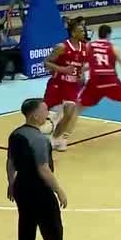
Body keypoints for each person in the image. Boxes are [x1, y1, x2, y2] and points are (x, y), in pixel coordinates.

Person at [7, 98, 77, 240]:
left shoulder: (16, 134)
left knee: (26, 231)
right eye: (45, 110)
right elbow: (43, 169)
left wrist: (11, 182)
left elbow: (11, 161)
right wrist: (59, 190)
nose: (48, 113)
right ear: (35, 115)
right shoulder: (38, 139)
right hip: (40, 191)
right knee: (53, 234)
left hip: (22, 188)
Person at [43, 19, 87, 151]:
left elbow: (80, 66)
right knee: (43, 113)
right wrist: (62, 70)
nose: (84, 33)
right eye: (80, 31)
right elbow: (46, 63)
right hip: (57, 84)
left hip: (72, 86)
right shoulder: (61, 47)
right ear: (73, 33)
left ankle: (55, 139)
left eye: (83, 30)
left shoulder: (84, 48)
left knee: (69, 114)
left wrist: (81, 76)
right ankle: (35, 134)